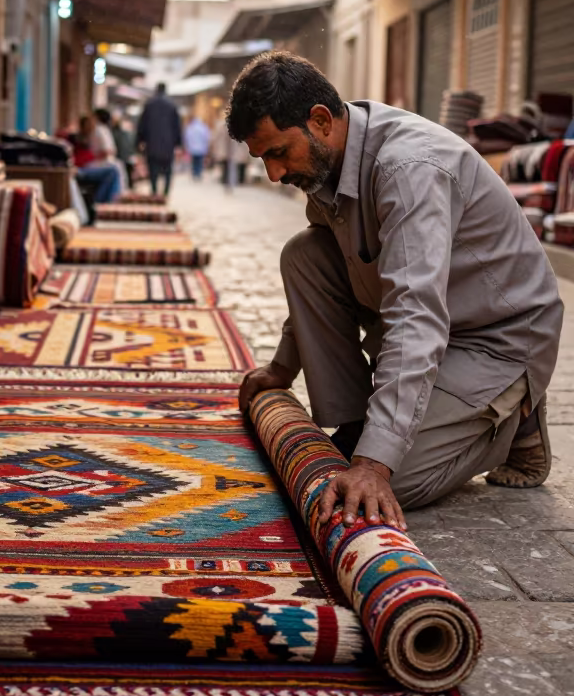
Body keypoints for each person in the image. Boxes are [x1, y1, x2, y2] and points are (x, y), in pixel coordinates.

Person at [229, 51, 563, 530]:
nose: (274, 174)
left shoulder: (409, 171)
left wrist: (374, 465)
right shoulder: (332, 161)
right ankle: (355, 422)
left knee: (387, 486)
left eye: (279, 153)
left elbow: (416, 315)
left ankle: (515, 420)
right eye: (263, 159)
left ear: (320, 120)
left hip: (496, 340)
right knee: (305, 252)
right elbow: (328, 269)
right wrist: (280, 369)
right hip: (437, 323)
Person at [136, 83, 182, 196]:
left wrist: (139, 141)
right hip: (168, 144)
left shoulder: (149, 104)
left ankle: (154, 191)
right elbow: (177, 126)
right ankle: (165, 192)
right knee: (167, 170)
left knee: (153, 169)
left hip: (152, 143)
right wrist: (178, 143)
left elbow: (142, 124)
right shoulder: (172, 105)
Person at [74, 110, 121, 211]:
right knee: (113, 172)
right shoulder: (77, 138)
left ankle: (105, 203)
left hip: (85, 166)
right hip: (81, 168)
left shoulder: (88, 136)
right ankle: (101, 203)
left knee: (114, 171)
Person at [111, 111, 136, 189]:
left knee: (125, 172)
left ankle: (128, 186)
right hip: (126, 154)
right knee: (127, 172)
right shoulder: (122, 131)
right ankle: (129, 186)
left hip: (122, 155)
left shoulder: (116, 132)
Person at [184, 114, 211, 179]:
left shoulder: (190, 127)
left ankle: (194, 173)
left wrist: (187, 146)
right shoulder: (203, 127)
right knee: (200, 161)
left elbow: (187, 137)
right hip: (201, 148)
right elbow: (207, 137)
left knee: (194, 161)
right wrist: (206, 146)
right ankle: (198, 173)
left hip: (192, 148)